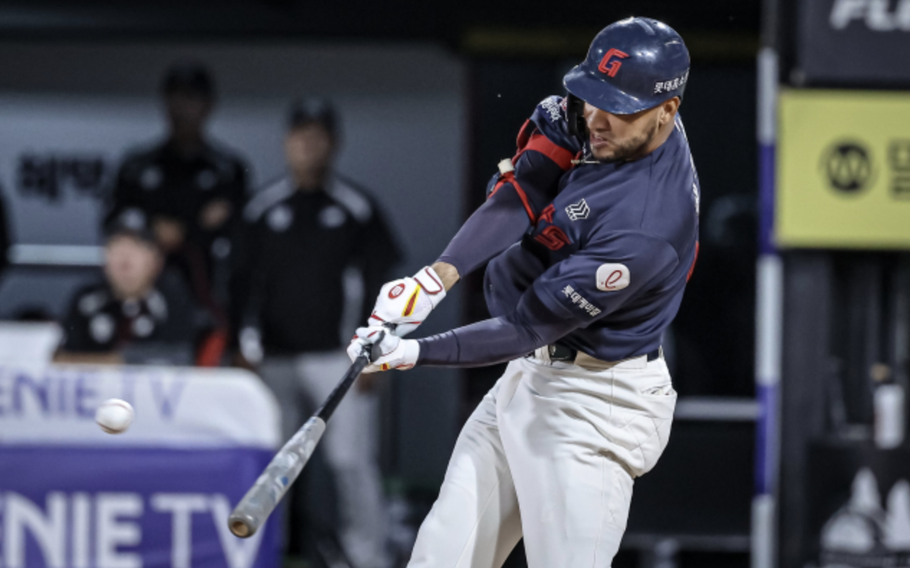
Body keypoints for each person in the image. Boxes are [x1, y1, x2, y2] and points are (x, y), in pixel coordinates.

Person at [348, 17, 700, 567]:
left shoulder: (646, 227)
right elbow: (527, 187)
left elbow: (526, 327)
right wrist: (434, 279)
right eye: (592, 97)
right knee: (440, 557)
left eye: (619, 107)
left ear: (668, 111)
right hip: (532, 375)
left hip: (594, 403)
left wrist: (411, 352)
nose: (597, 118)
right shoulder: (611, 120)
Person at [234, 98, 402, 568]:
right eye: (300, 135)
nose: (308, 144)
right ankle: (265, 552)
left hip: (340, 360)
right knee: (272, 466)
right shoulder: (263, 207)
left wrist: (378, 353)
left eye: (318, 136)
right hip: (272, 358)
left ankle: (367, 557)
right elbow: (240, 284)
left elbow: (383, 286)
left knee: (350, 463)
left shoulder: (356, 207)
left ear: (334, 143)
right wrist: (237, 346)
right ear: (287, 142)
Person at [106, 60, 249, 322]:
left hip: (207, 299)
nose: (182, 107)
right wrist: (151, 230)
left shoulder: (227, 171)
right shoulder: (137, 168)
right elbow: (113, 227)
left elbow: (241, 240)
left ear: (208, 105)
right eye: (175, 97)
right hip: (141, 301)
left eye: (191, 98)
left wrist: (190, 230)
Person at [55, 217, 212, 365]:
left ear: (157, 260)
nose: (125, 257)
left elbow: (181, 358)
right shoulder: (87, 301)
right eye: (116, 246)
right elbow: (61, 359)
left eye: (136, 247)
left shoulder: (172, 298)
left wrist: (121, 361)